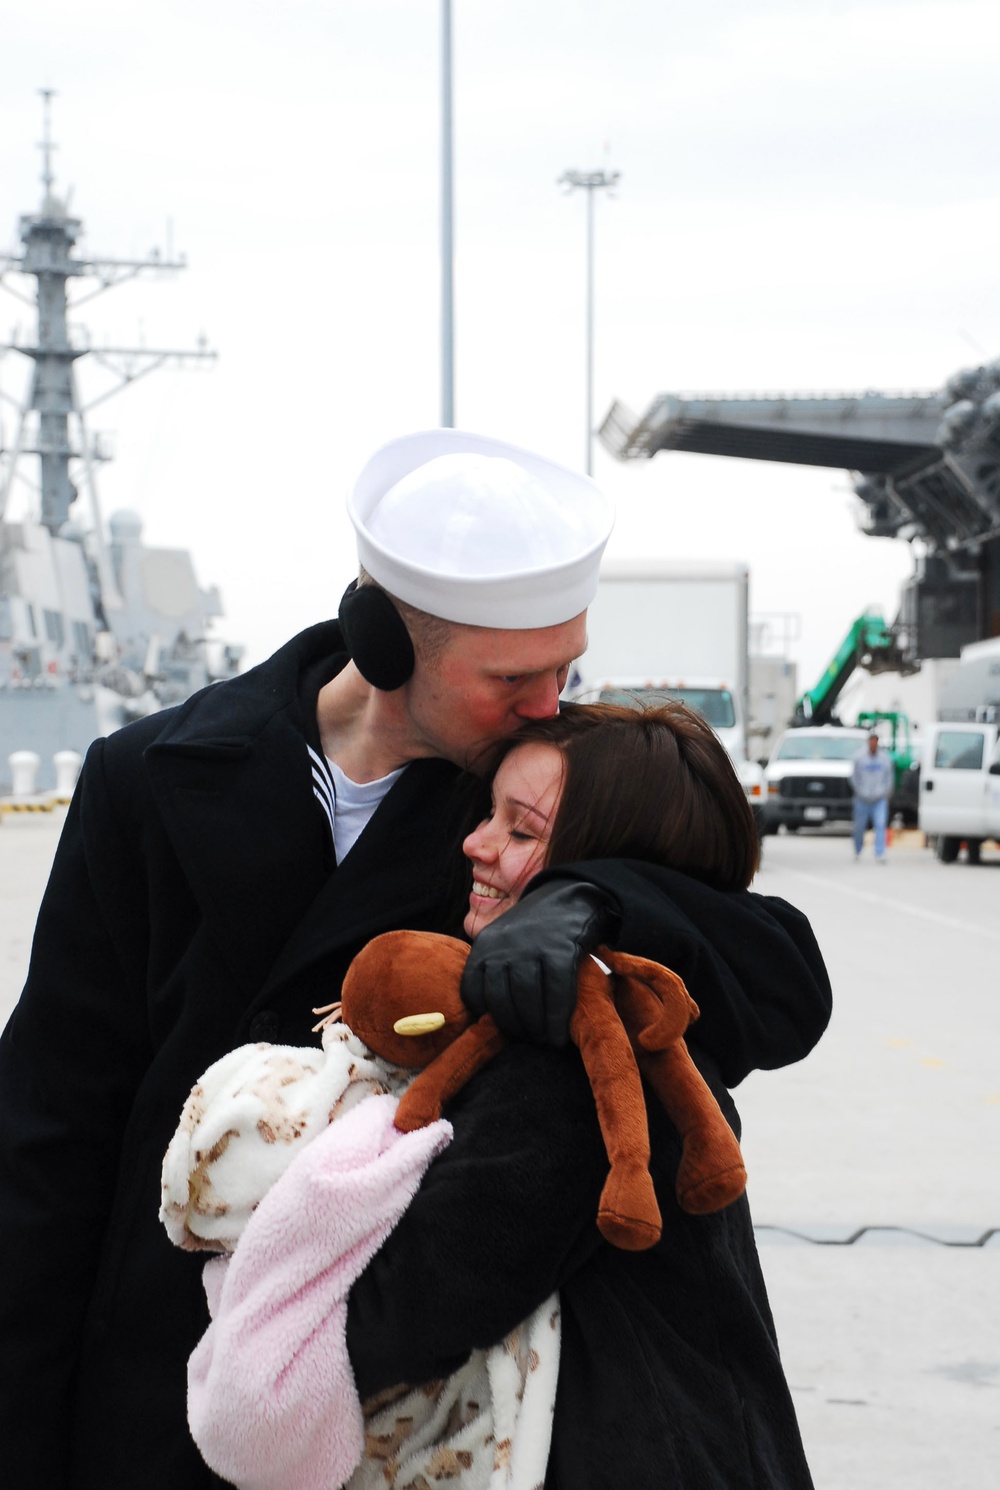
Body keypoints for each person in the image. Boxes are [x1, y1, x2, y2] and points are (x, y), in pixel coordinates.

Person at [0, 429, 830, 1490]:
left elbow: (782, 977)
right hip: (167, 1380)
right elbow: (49, 1131)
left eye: (566, 665)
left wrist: (593, 894)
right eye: (517, 675)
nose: (551, 700)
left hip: (408, 1418)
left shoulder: (529, 800)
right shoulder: (148, 780)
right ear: (390, 647)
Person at [169, 701, 816, 1488]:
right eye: (488, 816)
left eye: (522, 831)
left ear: (601, 866)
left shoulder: (573, 1055)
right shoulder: (642, 1006)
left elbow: (422, 1295)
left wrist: (256, 1278)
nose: (475, 844)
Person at [851, 730, 894, 861]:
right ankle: (858, 850)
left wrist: (884, 792)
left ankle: (879, 853)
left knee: (880, 824)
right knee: (859, 826)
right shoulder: (859, 757)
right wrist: (859, 790)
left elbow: (889, 778)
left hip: (879, 798)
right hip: (862, 798)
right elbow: (853, 777)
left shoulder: (884, 758)